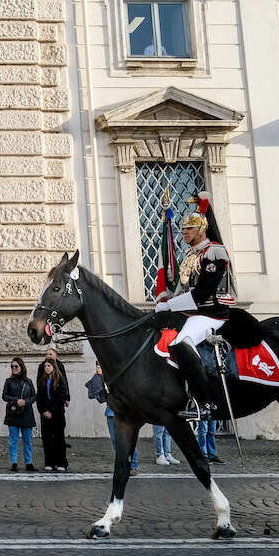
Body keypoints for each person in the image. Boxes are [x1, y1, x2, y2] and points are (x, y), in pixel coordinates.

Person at [154, 192, 236, 421]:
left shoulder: (214, 252)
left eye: (188, 229)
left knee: (181, 343)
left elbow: (202, 293)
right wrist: (165, 299)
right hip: (193, 311)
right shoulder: (191, 254)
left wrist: (169, 305)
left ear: (200, 229)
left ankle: (206, 403)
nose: (183, 232)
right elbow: (183, 288)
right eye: (182, 229)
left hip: (211, 312)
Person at [87, 361, 138, 474]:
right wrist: (99, 377)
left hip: (123, 413)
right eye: (97, 366)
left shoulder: (118, 377)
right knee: (116, 441)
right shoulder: (102, 379)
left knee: (128, 440)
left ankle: (132, 465)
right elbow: (99, 396)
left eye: (100, 366)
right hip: (110, 413)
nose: (98, 368)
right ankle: (123, 464)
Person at [2, 356, 37, 472]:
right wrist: (16, 400)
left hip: (26, 413)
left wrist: (25, 402)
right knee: (13, 439)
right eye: (12, 366)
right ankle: (14, 463)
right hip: (13, 412)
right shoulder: (8, 381)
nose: (14, 368)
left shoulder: (28, 381)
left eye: (16, 366)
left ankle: (29, 463)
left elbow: (34, 396)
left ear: (21, 367)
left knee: (27, 439)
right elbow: (4, 396)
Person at [36, 358, 70, 471]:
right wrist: (43, 411)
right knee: (47, 439)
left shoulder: (60, 380)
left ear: (53, 367)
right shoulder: (43, 381)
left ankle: (61, 462)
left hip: (57, 414)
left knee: (59, 439)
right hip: (45, 415)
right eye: (45, 366)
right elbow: (39, 398)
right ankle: (49, 462)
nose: (46, 368)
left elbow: (61, 397)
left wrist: (51, 411)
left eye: (48, 366)